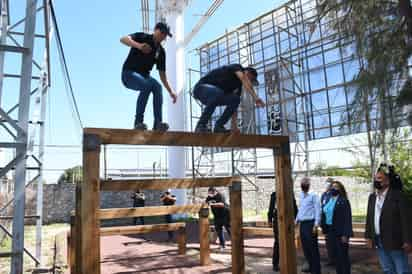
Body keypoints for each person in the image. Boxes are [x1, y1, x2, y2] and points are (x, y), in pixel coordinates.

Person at [120, 22, 177, 131]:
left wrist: (171, 91)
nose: (163, 37)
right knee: (146, 85)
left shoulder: (161, 51)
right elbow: (123, 39)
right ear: (155, 30)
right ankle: (138, 123)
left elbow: (162, 75)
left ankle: (157, 124)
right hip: (128, 74)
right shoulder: (142, 37)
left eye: (165, 35)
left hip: (144, 77)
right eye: (162, 33)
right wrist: (139, 46)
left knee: (157, 87)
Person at [365, 166, 412, 274]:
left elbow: (406, 220)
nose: (377, 181)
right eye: (376, 178)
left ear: (388, 180)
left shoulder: (398, 196)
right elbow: (369, 218)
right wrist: (368, 236)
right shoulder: (372, 197)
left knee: (402, 270)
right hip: (379, 240)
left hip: (395, 240)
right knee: (387, 269)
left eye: (380, 178)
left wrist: (407, 240)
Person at [192, 64, 265, 133]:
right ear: (247, 72)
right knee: (218, 92)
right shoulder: (237, 67)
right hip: (201, 89)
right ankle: (201, 125)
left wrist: (235, 126)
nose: (249, 82)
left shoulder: (237, 87)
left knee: (235, 99)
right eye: (250, 79)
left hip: (215, 96)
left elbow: (234, 108)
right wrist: (256, 98)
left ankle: (219, 126)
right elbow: (243, 78)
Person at [321, 181, 353, 274]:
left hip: (340, 232)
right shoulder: (328, 200)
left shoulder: (343, 201)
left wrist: (345, 235)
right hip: (330, 231)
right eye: (332, 186)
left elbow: (347, 218)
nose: (333, 188)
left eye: (336, 187)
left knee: (342, 256)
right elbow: (324, 212)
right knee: (335, 256)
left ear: (340, 189)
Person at [295, 177, 321, 274]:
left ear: (309, 185)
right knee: (306, 248)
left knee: (313, 249)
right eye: (302, 183)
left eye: (305, 183)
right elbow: (300, 209)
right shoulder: (301, 195)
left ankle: (316, 270)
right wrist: (296, 220)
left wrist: (316, 225)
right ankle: (311, 267)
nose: (303, 185)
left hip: (310, 224)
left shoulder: (314, 195)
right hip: (303, 224)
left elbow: (318, 210)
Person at [267, 191, 298, 272]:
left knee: (289, 241)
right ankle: (275, 263)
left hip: (288, 220)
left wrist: (296, 218)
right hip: (277, 221)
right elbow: (271, 207)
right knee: (278, 242)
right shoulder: (274, 194)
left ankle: (290, 261)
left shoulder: (290, 193)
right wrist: (269, 220)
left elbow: (294, 206)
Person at [206, 187, 231, 251]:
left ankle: (235, 243)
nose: (210, 194)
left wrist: (212, 204)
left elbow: (222, 204)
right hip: (217, 216)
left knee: (229, 229)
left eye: (211, 193)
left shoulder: (220, 195)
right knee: (219, 230)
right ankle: (222, 245)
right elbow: (206, 203)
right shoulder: (209, 197)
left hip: (225, 214)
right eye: (209, 193)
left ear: (215, 191)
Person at [320, 177, 336, 266]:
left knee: (334, 241)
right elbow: (321, 206)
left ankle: (336, 259)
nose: (328, 185)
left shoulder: (334, 194)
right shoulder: (324, 194)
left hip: (333, 221)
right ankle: (331, 259)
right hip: (325, 221)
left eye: (329, 183)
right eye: (327, 183)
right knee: (328, 241)